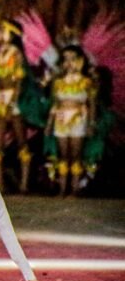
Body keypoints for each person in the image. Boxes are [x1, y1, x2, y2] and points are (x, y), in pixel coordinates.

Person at [0, 21, 32, 193]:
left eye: (1, 30)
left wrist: (12, 102)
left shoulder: (16, 53)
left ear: (11, 34)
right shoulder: (0, 53)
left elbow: (18, 81)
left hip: (13, 99)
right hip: (0, 98)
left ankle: (24, 184)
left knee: (21, 141)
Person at [45, 44, 96, 196]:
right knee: (63, 155)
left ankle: (74, 190)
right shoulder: (58, 82)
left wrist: (91, 124)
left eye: (73, 59)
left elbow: (91, 105)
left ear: (80, 61)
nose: (69, 62)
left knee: (75, 155)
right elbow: (54, 104)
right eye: (65, 59)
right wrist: (49, 123)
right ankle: (62, 189)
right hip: (60, 119)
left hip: (79, 119)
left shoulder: (87, 82)